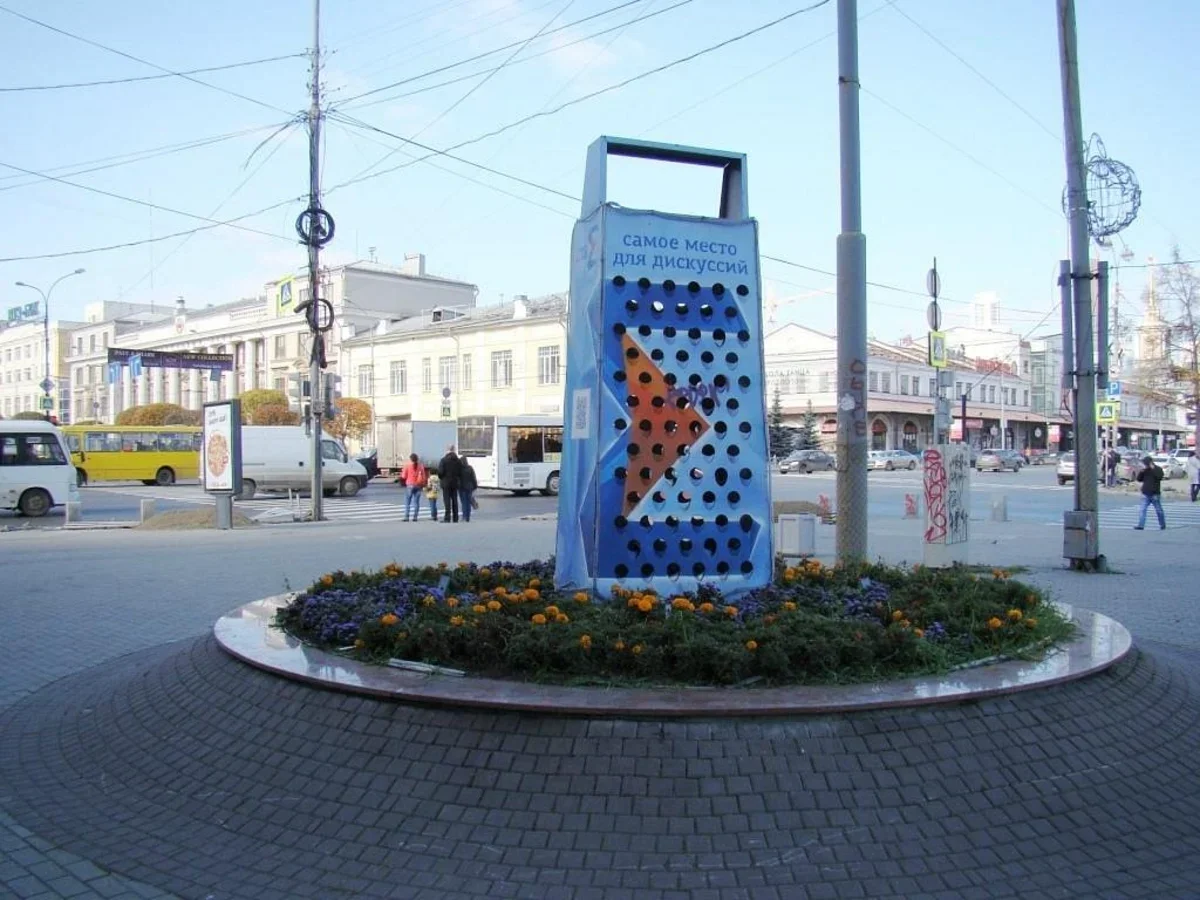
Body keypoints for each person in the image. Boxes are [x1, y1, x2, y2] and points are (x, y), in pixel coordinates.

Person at [1134, 454, 1166, 530]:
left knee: (1159, 510)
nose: (1145, 465)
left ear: (1150, 463)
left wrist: (1153, 468)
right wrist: (1141, 472)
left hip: (1155, 493)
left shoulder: (1158, 469)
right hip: (1145, 493)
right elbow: (1139, 479)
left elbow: (1159, 477)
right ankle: (1141, 525)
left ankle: (1162, 524)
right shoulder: (1145, 470)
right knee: (1142, 509)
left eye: (1146, 464)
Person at [437, 444, 462, 523]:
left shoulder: (443, 460)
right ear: (454, 450)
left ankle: (447, 518)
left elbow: (440, 472)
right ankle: (455, 518)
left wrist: (442, 478)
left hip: (446, 482)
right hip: (455, 482)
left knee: (447, 500)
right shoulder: (458, 461)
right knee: (455, 500)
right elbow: (460, 472)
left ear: (447, 450)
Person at [399, 453, 427, 521]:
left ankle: (406, 517)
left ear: (410, 459)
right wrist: (423, 484)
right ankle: (415, 517)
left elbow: (403, 476)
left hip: (410, 485)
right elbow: (424, 477)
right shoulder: (420, 466)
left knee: (408, 502)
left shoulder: (407, 466)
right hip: (418, 485)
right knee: (416, 502)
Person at [459, 457, 478, 523]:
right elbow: (473, 477)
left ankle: (464, 516)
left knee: (464, 502)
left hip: (462, 487)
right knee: (468, 502)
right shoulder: (470, 468)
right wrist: (475, 486)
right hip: (470, 487)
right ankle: (468, 517)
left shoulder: (460, 469)